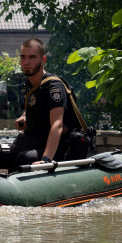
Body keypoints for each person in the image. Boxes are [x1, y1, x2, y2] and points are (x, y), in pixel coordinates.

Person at [10, 38, 83, 166]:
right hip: (37, 141)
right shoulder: (30, 84)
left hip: (59, 148)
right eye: (23, 57)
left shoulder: (53, 87)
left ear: (43, 60)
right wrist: (24, 116)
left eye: (32, 57)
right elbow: (34, 106)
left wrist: (45, 160)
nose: (26, 62)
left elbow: (57, 124)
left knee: (24, 158)